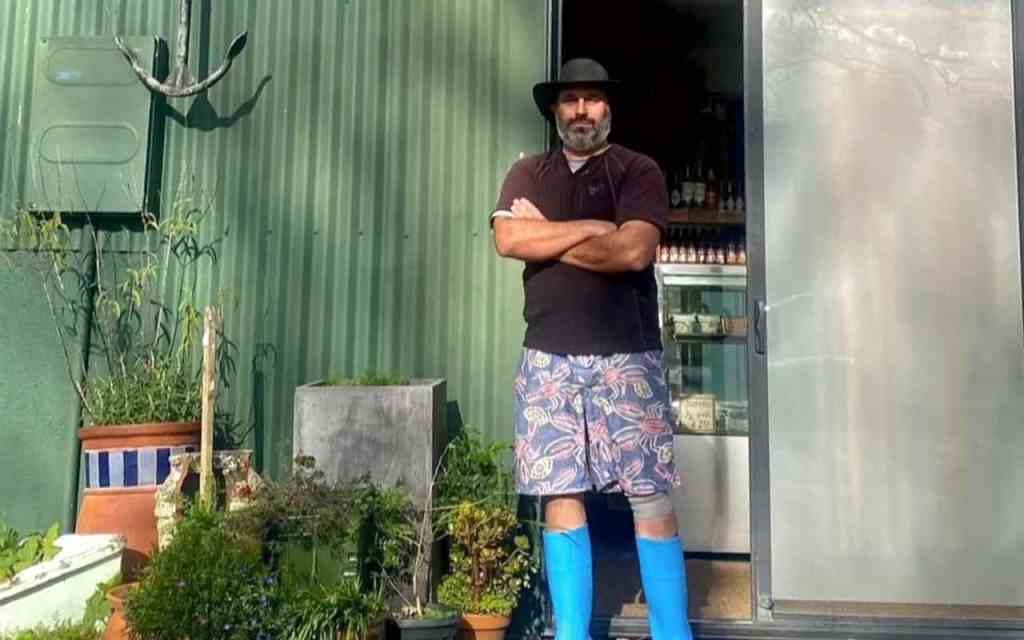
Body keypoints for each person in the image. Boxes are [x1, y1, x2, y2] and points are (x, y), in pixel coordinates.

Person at [490, 58, 693, 640]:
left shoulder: (638, 170)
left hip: (629, 357)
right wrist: (595, 228)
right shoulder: (527, 173)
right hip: (548, 359)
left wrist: (549, 234)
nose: (581, 110)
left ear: (608, 108)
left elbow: (633, 251)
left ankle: (673, 633)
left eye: (592, 99)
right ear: (555, 111)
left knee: (650, 498)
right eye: (570, 99)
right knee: (560, 495)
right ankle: (571, 634)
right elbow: (508, 238)